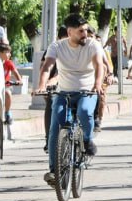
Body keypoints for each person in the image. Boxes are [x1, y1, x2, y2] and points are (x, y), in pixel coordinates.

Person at [35, 13, 104, 188]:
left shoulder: (92, 45)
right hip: (63, 92)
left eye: (87, 31)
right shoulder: (57, 46)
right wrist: (42, 85)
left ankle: (87, 140)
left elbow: (98, 65)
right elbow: (47, 66)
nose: (85, 34)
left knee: (84, 111)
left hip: (87, 91)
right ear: (70, 32)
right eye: (81, 31)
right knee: (55, 126)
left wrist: (97, 84)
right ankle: (53, 170)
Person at [0, 43, 21, 140]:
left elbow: (16, 74)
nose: (9, 55)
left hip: (6, 86)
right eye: (7, 52)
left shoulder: (9, 63)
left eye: (9, 52)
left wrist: (18, 81)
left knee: (8, 93)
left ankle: (7, 112)